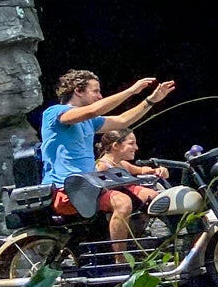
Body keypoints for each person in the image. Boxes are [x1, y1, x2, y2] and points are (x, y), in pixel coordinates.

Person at [41, 70, 177, 246]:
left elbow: (122, 121)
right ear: (78, 91)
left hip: (89, 185)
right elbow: (93, 110)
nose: (100, 96)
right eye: (95, 91)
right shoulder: (54, 113)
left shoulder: (90, 121)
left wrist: (151, 100)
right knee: (122, 203)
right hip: (66, 188)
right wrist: (131, 91)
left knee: (149, 195)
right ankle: (121, 258)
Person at [95, 128, 171, 181]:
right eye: (131, 143)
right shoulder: (101, 166)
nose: (136, 148)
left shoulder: (123, 164)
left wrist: (158, 171)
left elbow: (142, 170)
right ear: (115, 146)